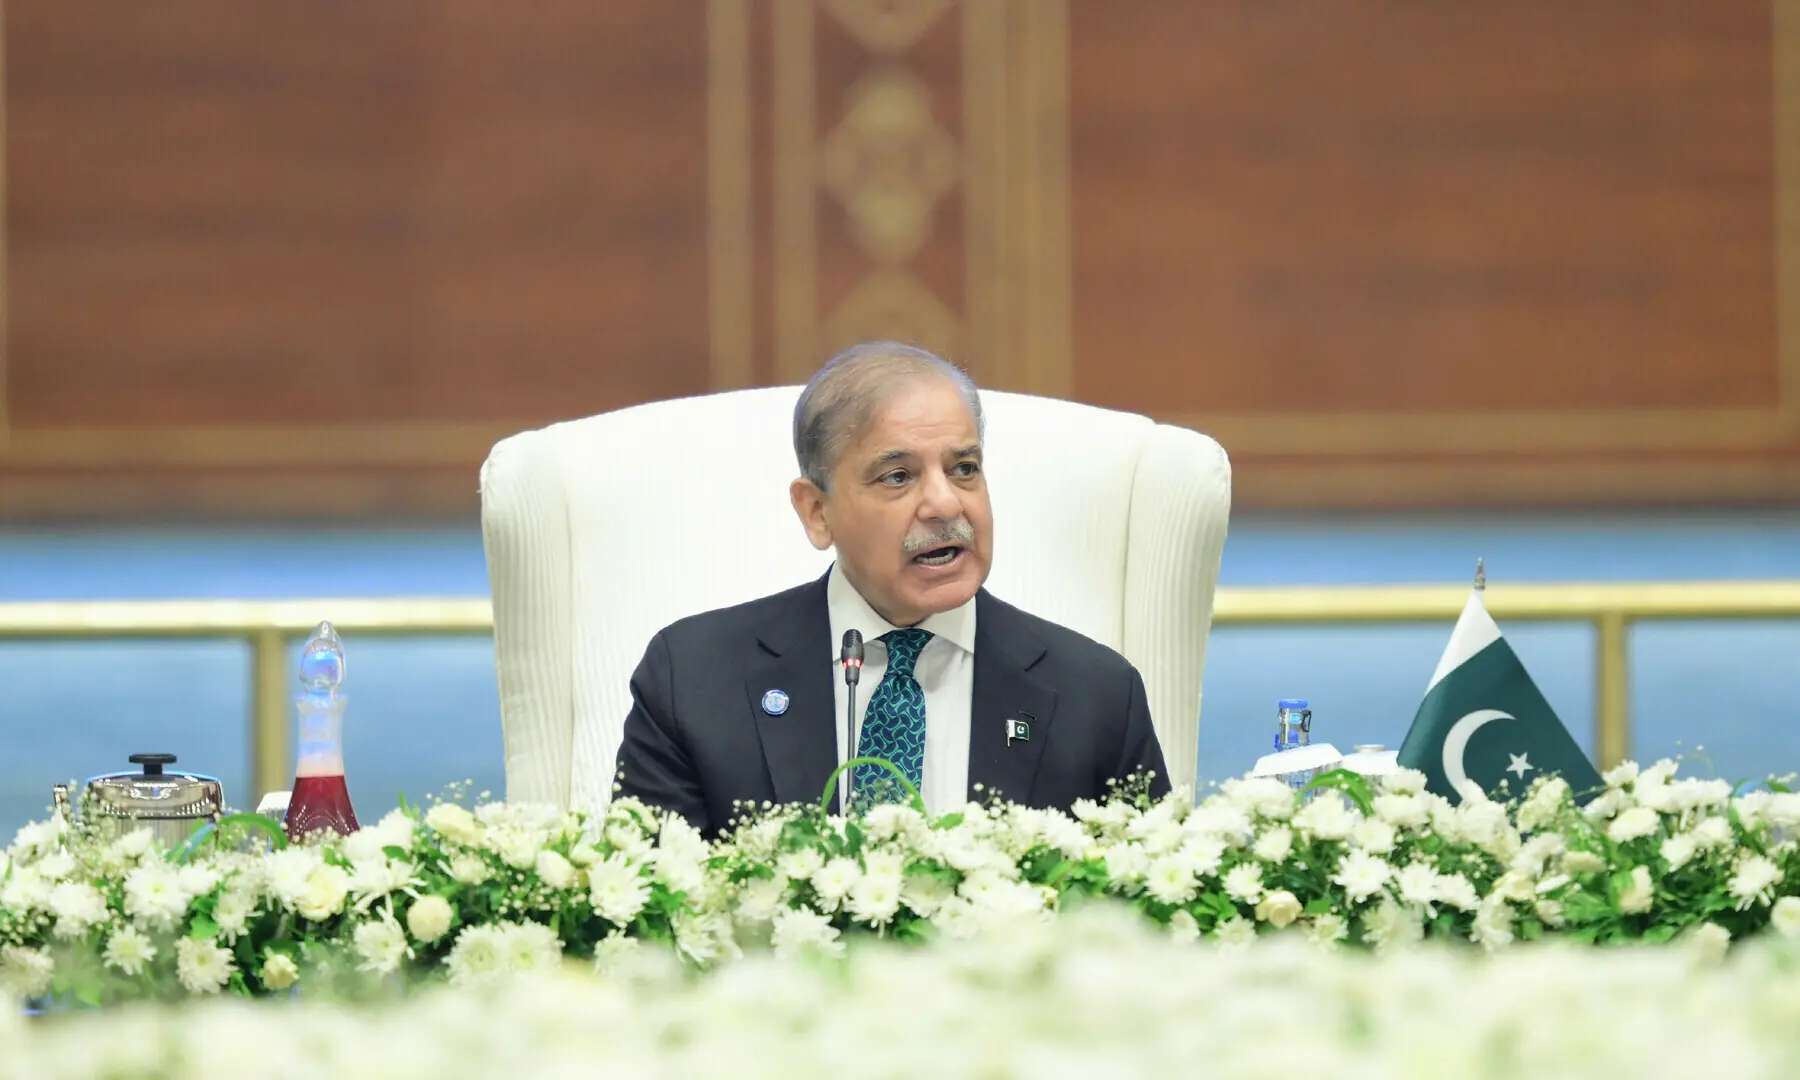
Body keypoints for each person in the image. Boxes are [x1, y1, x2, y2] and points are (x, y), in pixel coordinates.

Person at [614, 342, 1170, 835]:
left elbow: (1153, 908)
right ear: (816, 511)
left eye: (964, 468)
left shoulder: (1095, 696)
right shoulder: (693, 680)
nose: (946, 504)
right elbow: (651, 906)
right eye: (898, 476)